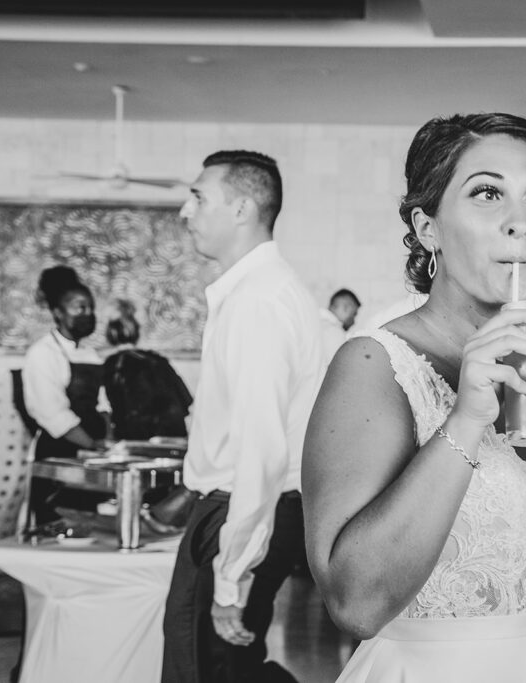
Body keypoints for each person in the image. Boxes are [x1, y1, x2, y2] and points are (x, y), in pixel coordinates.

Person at [304, 113, 526, 683]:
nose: (519, 222)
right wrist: (468, 418)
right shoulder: (375, 365)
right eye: (486, 193)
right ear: (428, 229)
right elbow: (354, 603)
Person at [161, 150, 323, 683]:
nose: (187, 211)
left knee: (208, 670)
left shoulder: (258, 301)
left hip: (241, 512)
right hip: (244, 511)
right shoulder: (259, 291)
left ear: (242, 209)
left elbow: (261, 449)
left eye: (199, 196)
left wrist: (231, 576)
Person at [22, 265, 109, 524]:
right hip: (59, 453)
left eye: (90, 308)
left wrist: (107, 442)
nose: (88, 314)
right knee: (59, 524)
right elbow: (52, 414)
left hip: (92, 456)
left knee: (91, 526)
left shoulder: (91, 355)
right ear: (58, 313)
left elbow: (104, 404)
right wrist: (92, 446)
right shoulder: (43, 353)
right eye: (79, 307)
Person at [102, 299, 192, 441]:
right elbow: (186, 401)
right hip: (171, 437)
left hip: (136, 441)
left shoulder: (112, 366)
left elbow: (109, 410)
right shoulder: (157, 361)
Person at [318, 287, 361, 360]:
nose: (353, 322)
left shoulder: (314, 321)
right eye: (353, 314)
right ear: (345, 308)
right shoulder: (333, 331)